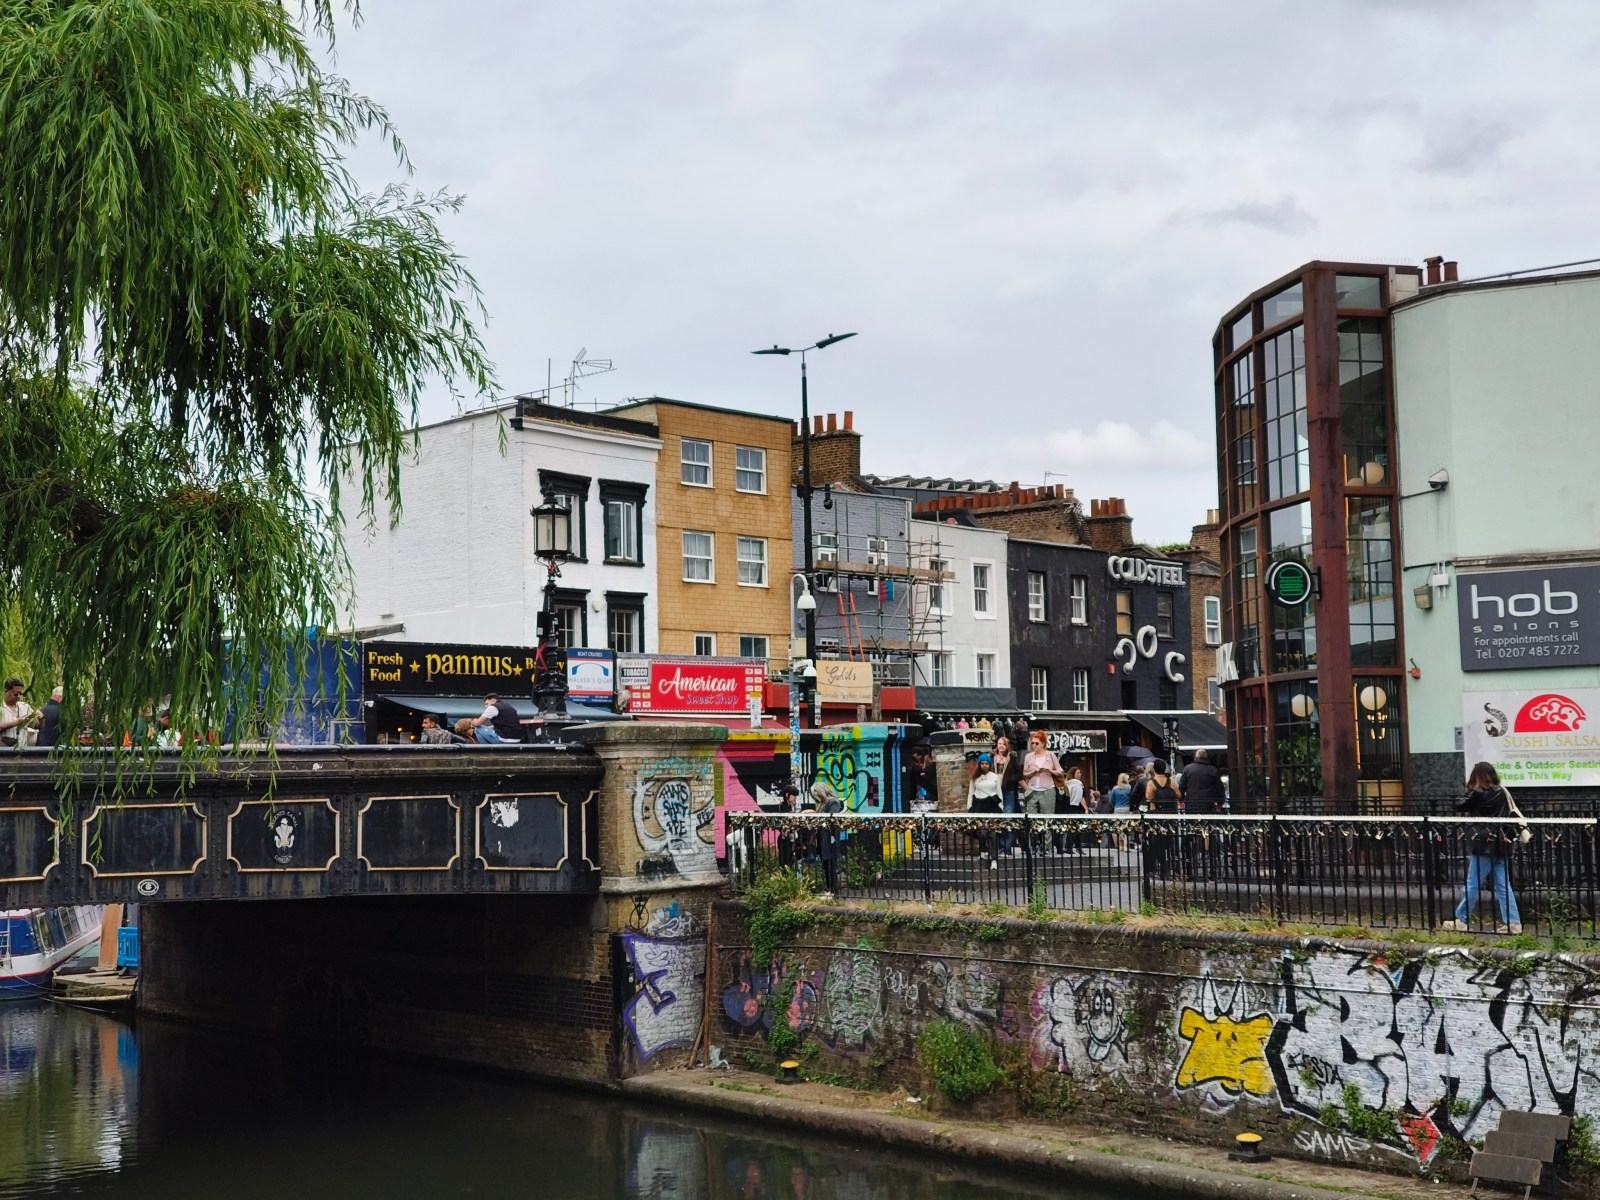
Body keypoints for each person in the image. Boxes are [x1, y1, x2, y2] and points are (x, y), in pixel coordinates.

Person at [1443, 762, 1523, 934]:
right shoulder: (1502, 791)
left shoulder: (1477, 793)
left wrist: (1469, 789)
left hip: (1483, 843)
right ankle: (1513, 922)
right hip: (1501, 841)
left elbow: (1459, 805)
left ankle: (1461, 919)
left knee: (1473, 883)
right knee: (1503, 884)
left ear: (1476, 776)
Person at [967, 753, 1004, 869]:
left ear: (989, 764)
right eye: (982, 763)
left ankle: (994, 859)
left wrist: (1001, 807)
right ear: (979, 764)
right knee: (982, 833)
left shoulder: (994, 777)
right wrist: (969, 808)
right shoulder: (975, 777)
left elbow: (999, 792)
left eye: (986, 763)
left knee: (993, 834)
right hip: (979, 806)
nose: (984, 766)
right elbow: (970, 793)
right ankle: (983, 851)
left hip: (992, 805)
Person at [1179, 749, 1225, 814]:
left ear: (1195, 757)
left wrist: (1181, 800)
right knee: (1208, 823)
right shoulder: (1213, 770)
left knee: (1192, 823)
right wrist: (1220, 802)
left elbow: (1181, 787)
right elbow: (1220, 788)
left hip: (1191, 804)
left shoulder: (1188, 769)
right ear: (1207, 757)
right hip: (1208, 804)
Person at [1, 678, 36, 749]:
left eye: (21, 694)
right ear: (6, 691)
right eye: (16, 694)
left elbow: (36, 726)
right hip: (3, 752)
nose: (19, 696)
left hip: (21, 752)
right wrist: (15, 723)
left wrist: (40, 718)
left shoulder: (25, 706)